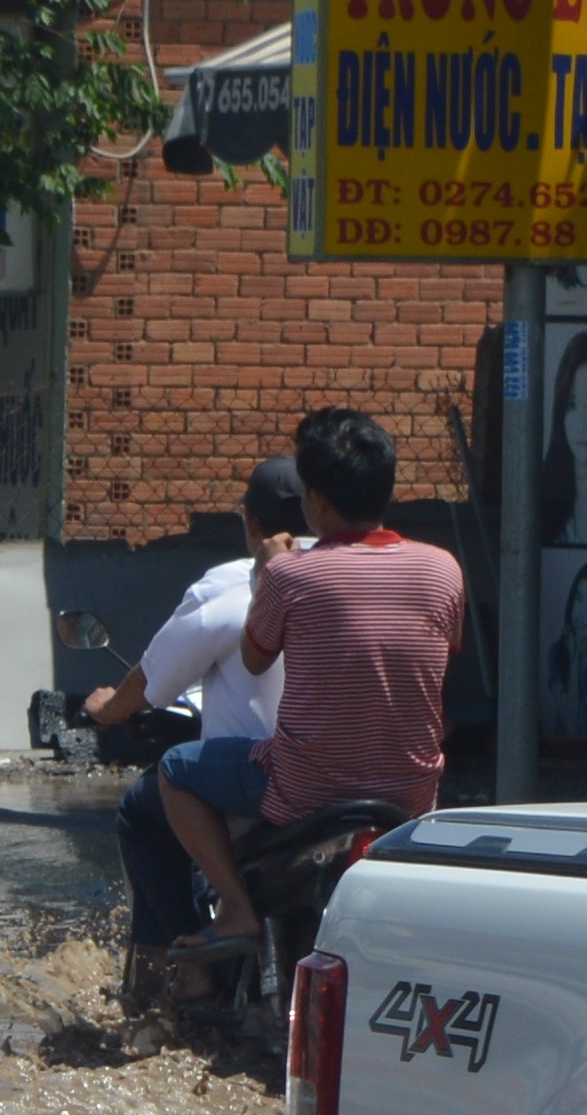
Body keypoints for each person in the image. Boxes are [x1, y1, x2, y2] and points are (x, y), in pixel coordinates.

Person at [176, 408, 468, 950]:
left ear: (318, 502)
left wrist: (266, 575)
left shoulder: (291, 574)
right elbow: (441, 655)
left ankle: (235, 912)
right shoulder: (442, 569)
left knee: (175, 771)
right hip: (409, 794)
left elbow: (255, 658)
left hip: (307, 789)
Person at [89, 454, 308, 953]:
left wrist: (107, 710)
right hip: (361, 778)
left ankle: (176, 971)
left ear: (251, 522)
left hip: (266, 781)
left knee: (146, 802)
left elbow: (153, 683)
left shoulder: (233, 586)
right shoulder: (361, 572)